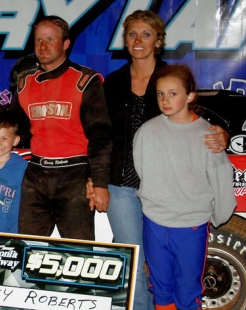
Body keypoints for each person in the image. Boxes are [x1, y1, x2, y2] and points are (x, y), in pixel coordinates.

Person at [98, 9, 230, 310]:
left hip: (164, 187)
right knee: (136, 262)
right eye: (132, 34)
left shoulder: (172, 78)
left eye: (146, 34)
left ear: (159, 40)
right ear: (125, 40)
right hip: (120, 186)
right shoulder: (113, 82)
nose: (138, 40)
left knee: (175, 273)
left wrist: (224, 132)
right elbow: (100, 134)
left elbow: (197, 119)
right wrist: (96, 179)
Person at [0, 15, 112, 240]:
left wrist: (99, 182)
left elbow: (100, 135)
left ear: (65, 44)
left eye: (50, 39)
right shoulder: (25, 83)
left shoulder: (85, 81)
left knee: (76, 252)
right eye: (39, 40)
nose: (43, 46)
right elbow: (10, 127)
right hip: (37, 173)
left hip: (75, 175)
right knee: (25, 248)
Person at [133, 64, 237, 310]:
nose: (165, 100)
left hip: (190, 226)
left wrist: (219, 214)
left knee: (188, 288)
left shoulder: (208, 134)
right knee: (160, 287)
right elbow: (141, 170)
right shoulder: (147, 131)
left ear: (190, 96)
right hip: (155, 223)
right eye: (160, 94)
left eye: (173, 93)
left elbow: (221, 176)